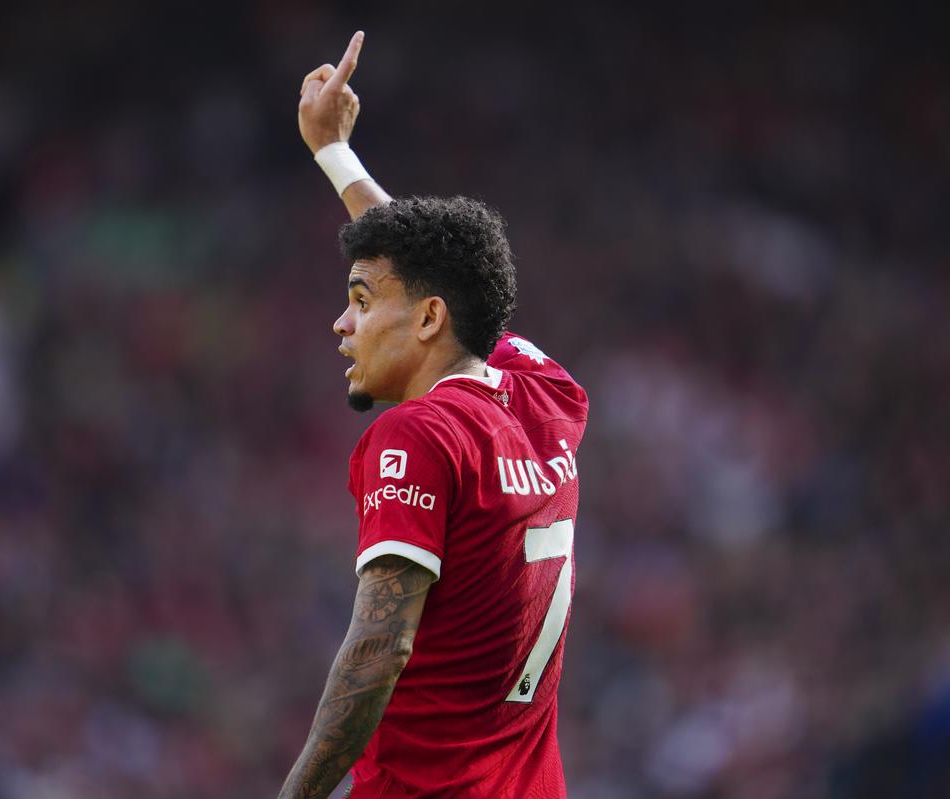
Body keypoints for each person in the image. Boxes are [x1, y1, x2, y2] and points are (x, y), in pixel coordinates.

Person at [279, 31, 589, 799]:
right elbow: (441, 279)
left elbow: (378, 647)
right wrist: (335, 154)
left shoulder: (418, 433)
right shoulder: (545, 396)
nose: (341, 325)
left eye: (358, 301)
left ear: (426, 322)